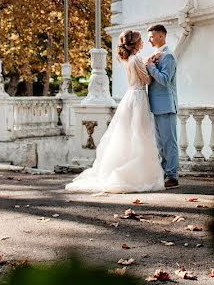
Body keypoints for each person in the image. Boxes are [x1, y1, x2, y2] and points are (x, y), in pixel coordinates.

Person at [65, 30, 165, 193]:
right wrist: (151, 66)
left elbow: (138, 73)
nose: (143, 43)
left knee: (128, 134)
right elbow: (146, 80)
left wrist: (146, 63)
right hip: (139, 97)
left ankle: (131, 171)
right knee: (140, 134)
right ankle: (138, 175)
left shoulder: (129, 59)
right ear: (136, 44)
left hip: (130, 96)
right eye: (141, 41)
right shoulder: (137, 59)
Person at [145, 24, 179, 189]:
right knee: (160, 145)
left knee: (169, 143)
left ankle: (173, 177)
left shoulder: (168, 57)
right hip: (156, 106)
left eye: (151, 36)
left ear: (161, 36)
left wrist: (151, 66)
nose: (149, 39)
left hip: (166, 106)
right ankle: (165, 175)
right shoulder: (155, 55)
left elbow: (165, 80)